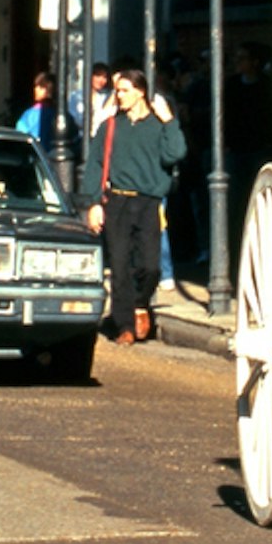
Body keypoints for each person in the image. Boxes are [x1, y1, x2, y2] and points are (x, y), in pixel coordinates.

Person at [92, 70, 187, 345]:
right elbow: (95, 166)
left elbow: (175, 153)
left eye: (123, 90)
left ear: (140, 92)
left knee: (151, 265)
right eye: (117, 91)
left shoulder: (157, 126)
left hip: (148, 202)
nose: (118, 96)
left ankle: (140, 304)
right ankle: (125, 326)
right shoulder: (110, 126)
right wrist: (94, 203)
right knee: (119, 265)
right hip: (118, 201)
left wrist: (169, 120)